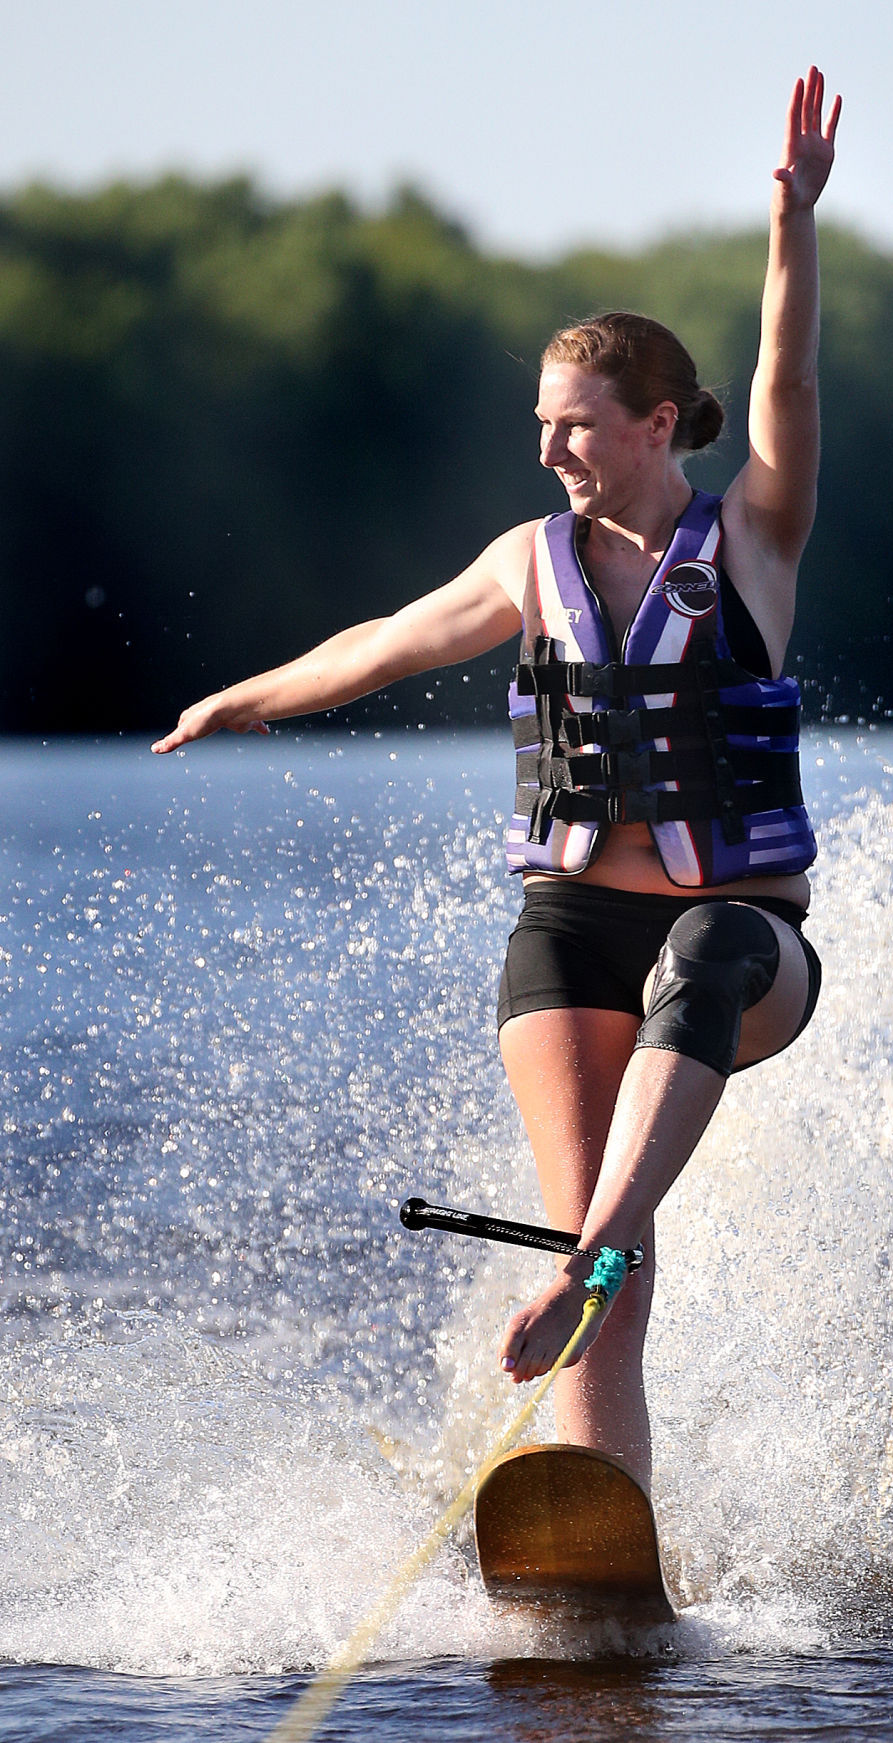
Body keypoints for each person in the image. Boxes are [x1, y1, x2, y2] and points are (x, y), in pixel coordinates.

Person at [153, 66, 841, 1492]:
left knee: (695, 975)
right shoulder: (529, 563)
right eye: (540, 423)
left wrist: (793, 225)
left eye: (576, 423)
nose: (548, 449)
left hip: (743, 946)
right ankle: (603, 1521)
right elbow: (384, 644)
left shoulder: (754, 539)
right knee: (604, 1267)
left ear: (658, 422)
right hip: (572, 928)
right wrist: (243, 696)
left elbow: (786, 381)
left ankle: (588, 1260)